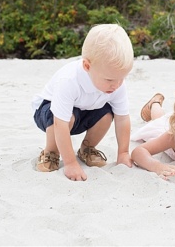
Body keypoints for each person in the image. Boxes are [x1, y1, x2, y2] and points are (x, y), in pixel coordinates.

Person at [31, 24, 135, 181]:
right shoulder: (69, 80)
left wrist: (123, 153)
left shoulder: (116, 83)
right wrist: (70, 163)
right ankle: (51, 152)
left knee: (107, 114)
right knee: (65, 118)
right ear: (87, 66)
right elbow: (60, 123)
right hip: (49, 113)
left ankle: (87, 148)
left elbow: (122, 118)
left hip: (85, 109)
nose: (117, 84)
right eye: (110, 79)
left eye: (122, 78)